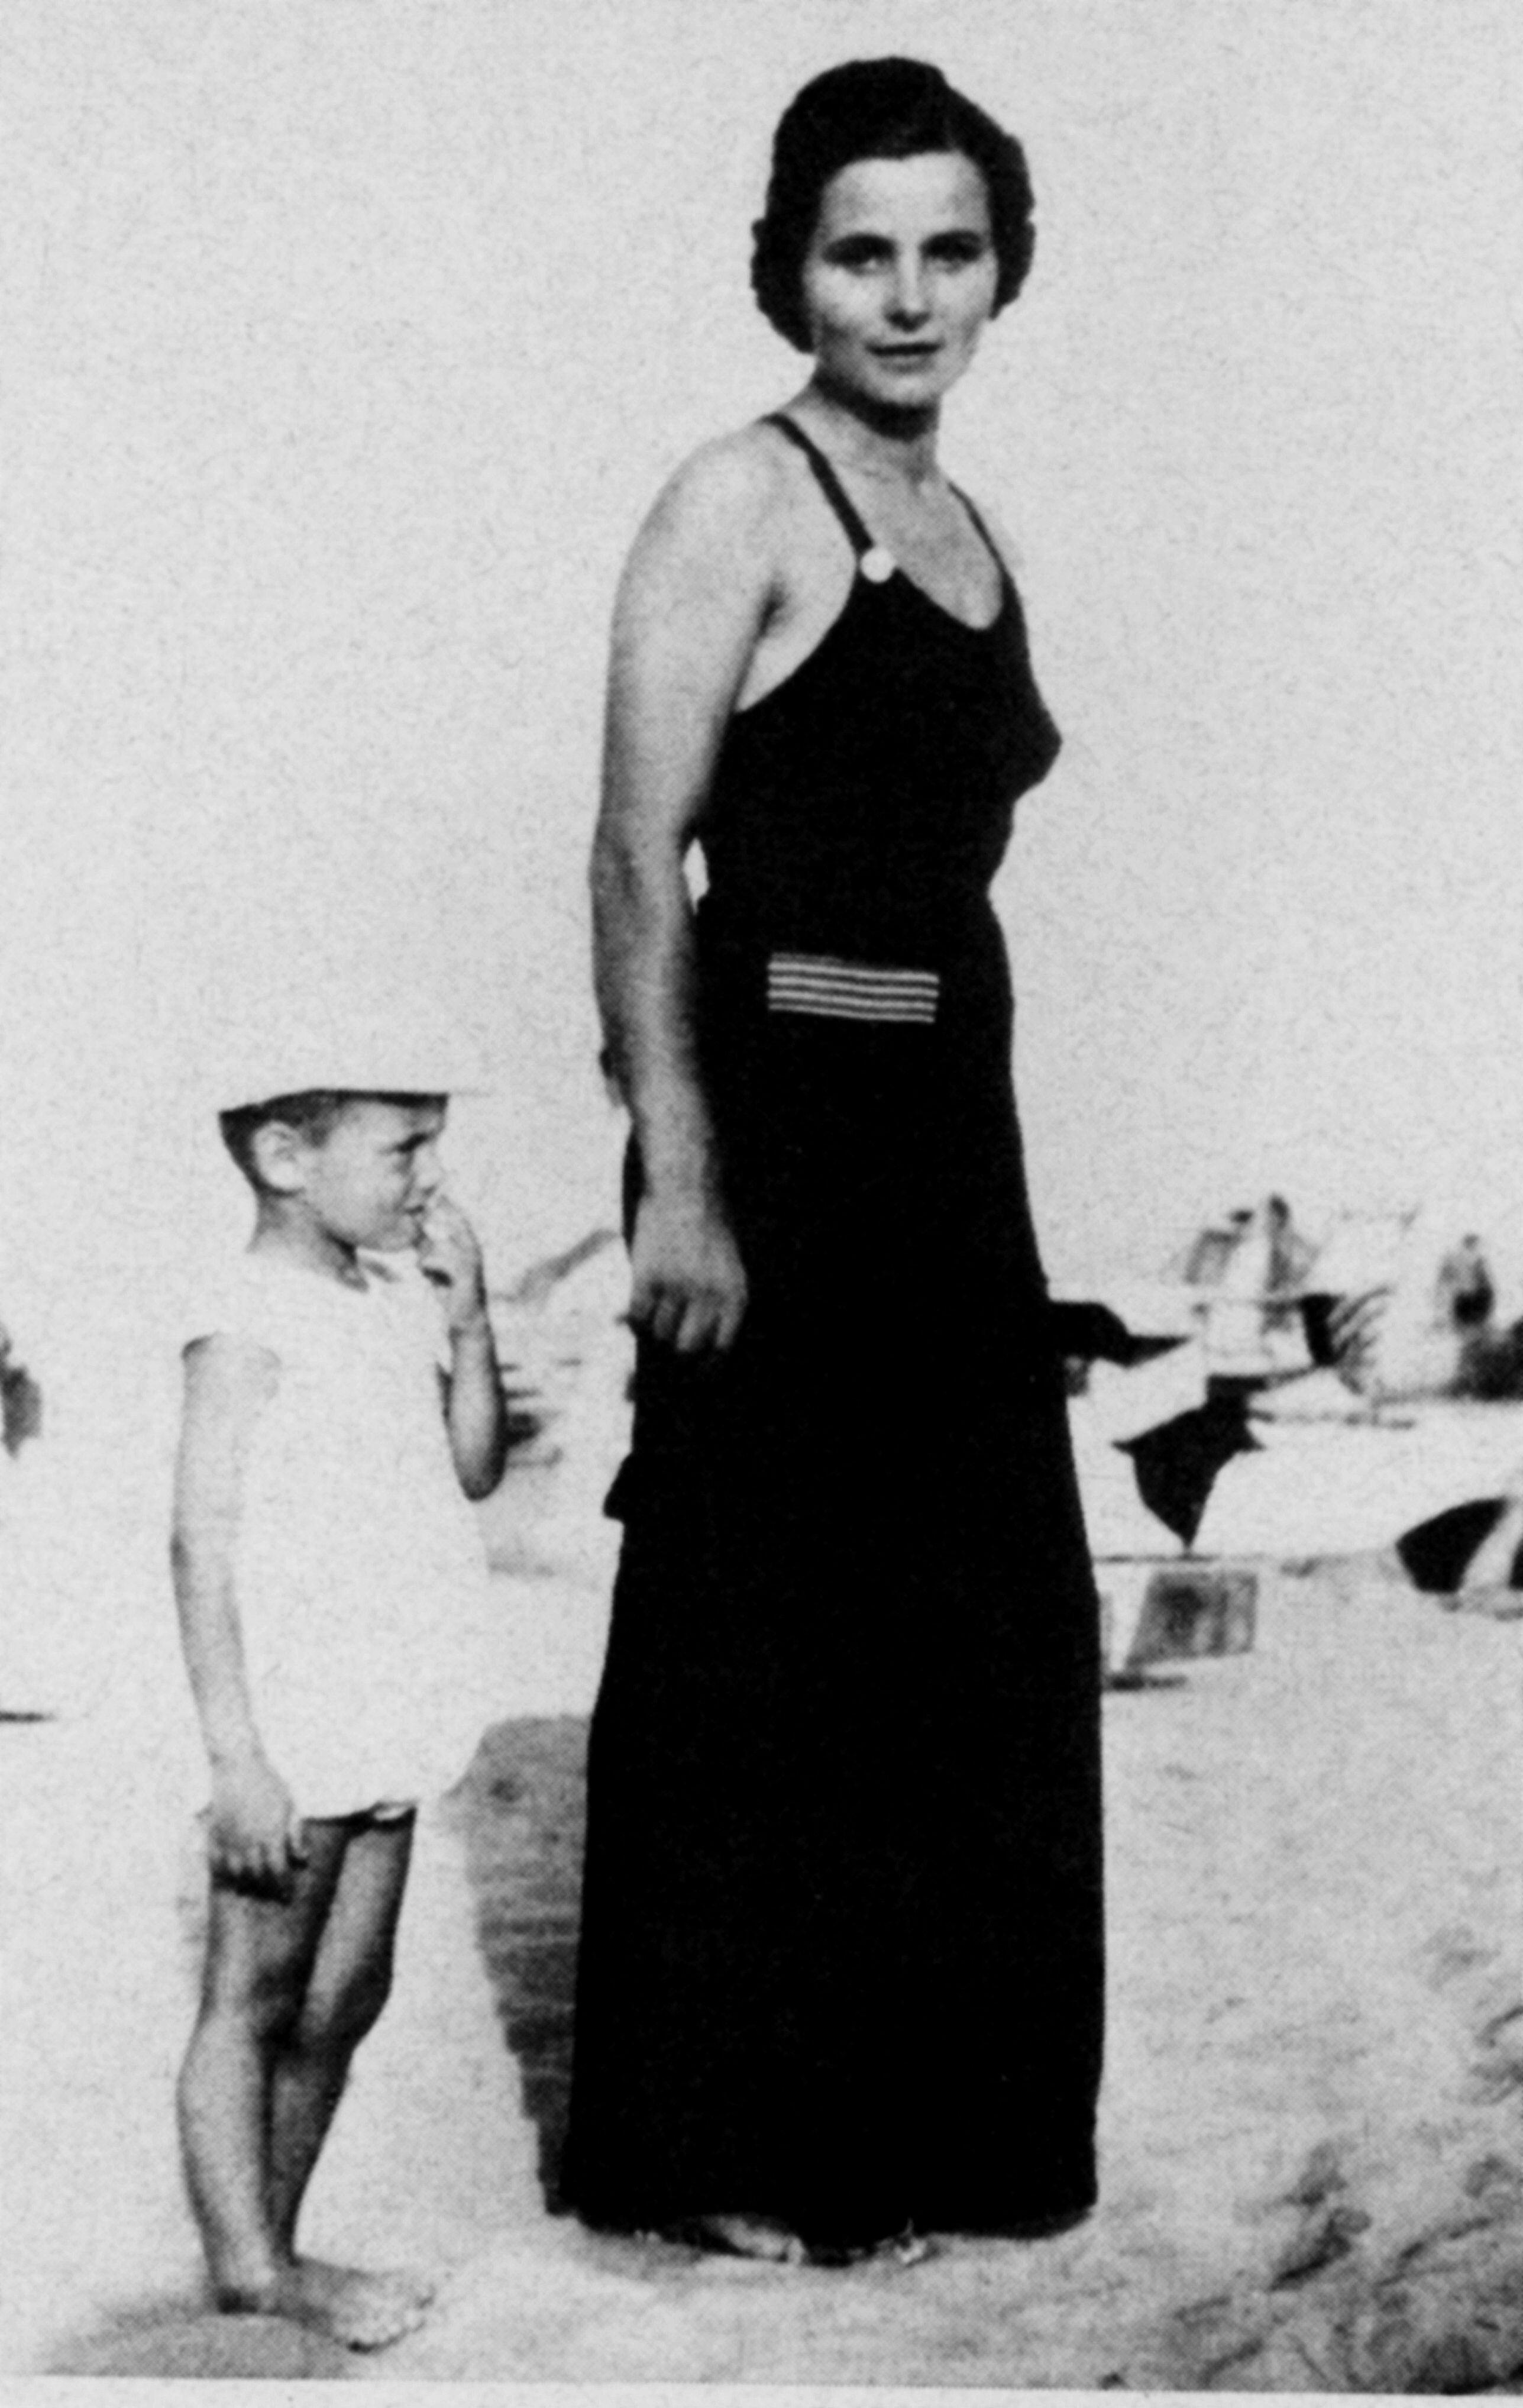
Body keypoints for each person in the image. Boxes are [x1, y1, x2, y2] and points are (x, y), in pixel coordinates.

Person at [561, 57, 1104, 2265]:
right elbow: (628, 855)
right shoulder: (737, 497)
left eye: (946, 249)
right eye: (858, 249)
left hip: (944, 1147)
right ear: (786, 264)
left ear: (1002, 270)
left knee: (969, 1626)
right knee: (765, 1629)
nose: (905, 294)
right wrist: (678, 1183)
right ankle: (720, 2144)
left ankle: (936, 2131)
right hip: (775, 1132)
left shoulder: (967, 525)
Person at [172, 1042, 508, 2348]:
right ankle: (250, 2267)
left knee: (344, 1994)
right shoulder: (244, 1312)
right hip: (295, 1712)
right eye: (403, 1148)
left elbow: (473, 1468)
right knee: (251, 1996)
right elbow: (199, 1538)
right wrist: (236, 1755)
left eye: (433, 1143)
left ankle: (277, 2241)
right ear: (284, 1160)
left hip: (391, 1692)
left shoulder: (387, 1295)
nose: (431, 1175)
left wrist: (469, 1317)